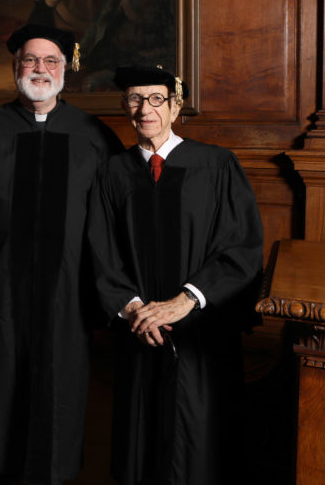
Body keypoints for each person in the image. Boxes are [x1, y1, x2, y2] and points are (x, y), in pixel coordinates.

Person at [0, 24, 122, 484]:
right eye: (30, 60)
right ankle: (0, 468)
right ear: (15, 67)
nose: (39, 69)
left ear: (66, 69)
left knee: (60, 380)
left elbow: (113, 221)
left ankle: (55, 470)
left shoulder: (93, 135)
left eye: (50, 61)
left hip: (69, 290)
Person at [88, 65, 264, 484]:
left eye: (156, 99)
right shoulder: (112, 174)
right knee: (141, 434)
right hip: (140, 332)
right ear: (125, 107)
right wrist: (133, 309)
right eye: (134, 99)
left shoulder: (217, 164)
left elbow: (241, 246)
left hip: (202, 332)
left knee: (198, 438)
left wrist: (186, 301)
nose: (144, 108)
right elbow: (100, 253)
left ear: (175, 105)